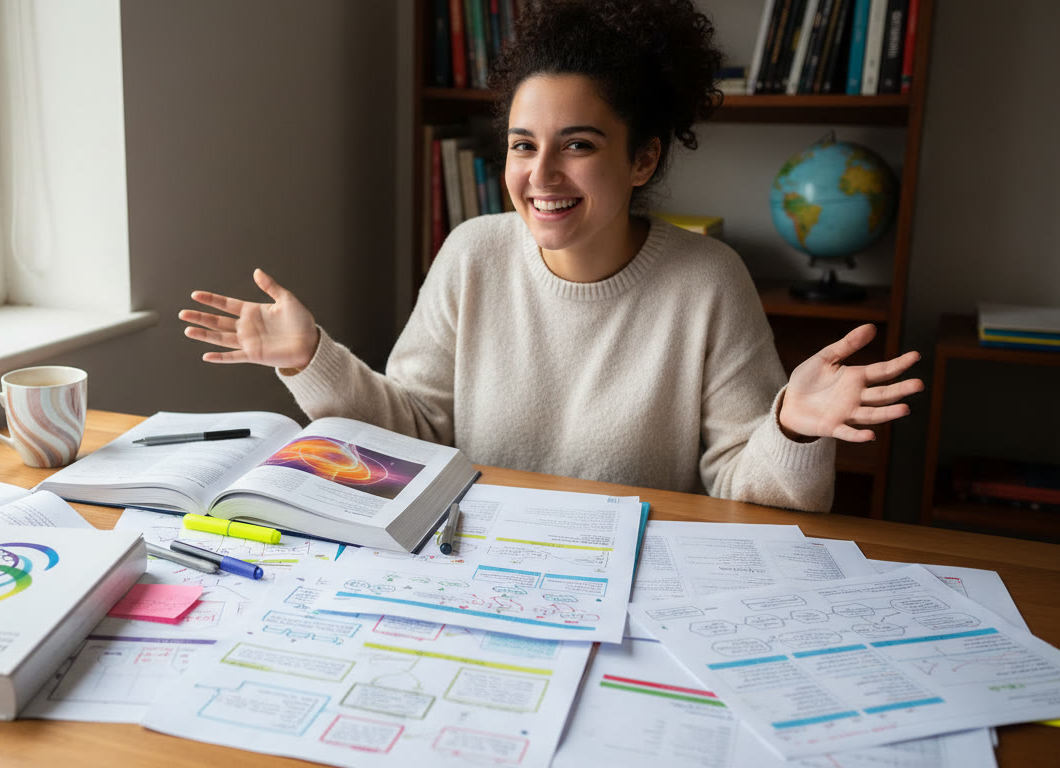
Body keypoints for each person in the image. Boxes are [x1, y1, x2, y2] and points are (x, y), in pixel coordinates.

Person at [178, 0, 922, 513]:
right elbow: (414, 436)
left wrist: (790, 427)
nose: (541, 176)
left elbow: (736, 490)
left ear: (642, 160)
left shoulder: (706, 279)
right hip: (477, 569)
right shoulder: (473, 253)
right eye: (523, 145)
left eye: (579, 145)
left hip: (635, 591)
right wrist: (312, 359)